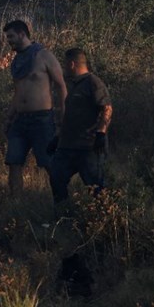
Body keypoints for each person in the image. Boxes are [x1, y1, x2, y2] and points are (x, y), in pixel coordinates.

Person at [3, 20, 67, 195]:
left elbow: (61, 85)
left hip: (41, 119)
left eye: (11, 36)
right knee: (14, 162)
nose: (9, 41)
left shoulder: (44, 56)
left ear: (22, 34)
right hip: (20, 120)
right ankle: (16, 206)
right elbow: (17, 93)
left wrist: (63, 116)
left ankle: (61, 202)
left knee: (49, 163)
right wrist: (9, 118)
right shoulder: (16, 62)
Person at [49, 48, 112, 207]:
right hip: (68, 146)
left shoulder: (93, 83)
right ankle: (64, 214)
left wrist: (101, 133)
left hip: (88, 146)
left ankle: (103, 220)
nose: (63, 68)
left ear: (72, 64)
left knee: (96, 188)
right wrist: (58, 137)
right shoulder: (73, 85)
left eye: (65, 64)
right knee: (56, 177)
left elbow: (107, 108)